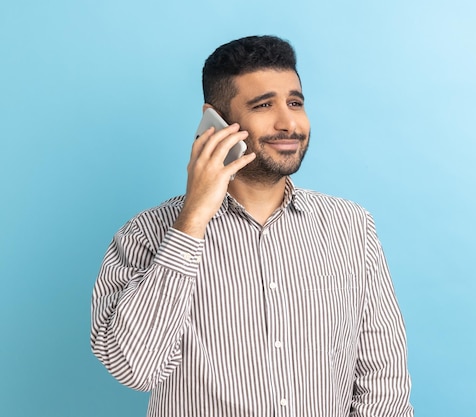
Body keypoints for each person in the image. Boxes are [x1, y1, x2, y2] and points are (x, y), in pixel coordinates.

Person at [90, 35, 413, 417]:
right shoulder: (145, 234)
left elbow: (384, 379)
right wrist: (191, 221)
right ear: (217, 122)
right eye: (264, 105)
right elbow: (134, 368)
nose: (289, 122)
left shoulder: (350, 226)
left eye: (295, 102)